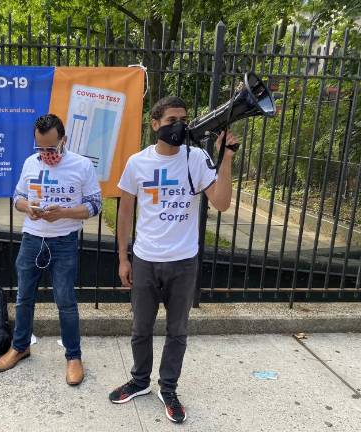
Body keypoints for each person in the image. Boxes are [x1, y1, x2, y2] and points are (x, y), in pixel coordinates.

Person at [108, 96, 238, 423]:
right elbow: (125, 213)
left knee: (177, 331)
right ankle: (140, 381)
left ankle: (168, 388)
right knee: (141, 328)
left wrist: (227, 157)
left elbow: (221, 202)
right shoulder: (137, 163)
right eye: (170, 120)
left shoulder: (196, 158)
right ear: (155, 124)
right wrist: (123, 258)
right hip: (145, 260)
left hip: (183, 262)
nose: (178, 125)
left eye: (183, 119)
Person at [0, 114, 102, 386]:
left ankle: (73, 356)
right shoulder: (31, 163)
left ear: (64, 140)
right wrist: (26, 207)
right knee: (23, 298)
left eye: (51, 148)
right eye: (40, 147)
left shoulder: (82, 166)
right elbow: (17, 197)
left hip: (63, 240)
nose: (45, 154)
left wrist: (64, 212)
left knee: (65, 301)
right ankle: (20, 346)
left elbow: (95, 205)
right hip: (32, 238)